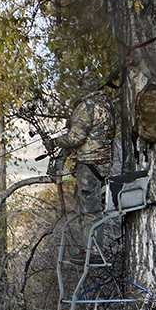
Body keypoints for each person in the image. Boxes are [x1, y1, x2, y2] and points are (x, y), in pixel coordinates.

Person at [50, 72, 115, 248]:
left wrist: (55, 141)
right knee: (90, 208)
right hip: (104, 163)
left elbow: (75, 139)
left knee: (90, 210)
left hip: (88, 163)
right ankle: (89, 249)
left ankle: (92, 251)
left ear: (84, 86)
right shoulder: (107, 104)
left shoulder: (87, 106)